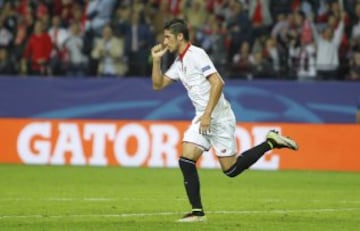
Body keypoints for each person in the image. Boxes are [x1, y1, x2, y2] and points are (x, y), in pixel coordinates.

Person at [150, 18, 299, 223]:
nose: (165, 41)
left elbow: (218, 83)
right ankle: (197, 213)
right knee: (186, 159)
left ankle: (271, 142)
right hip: (203, 116)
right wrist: (157, 60)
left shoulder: (196, 54)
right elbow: (158, 85)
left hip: (218, 116)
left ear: (180, 36)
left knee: (231, 170)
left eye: (167, 37)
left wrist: (208, 114)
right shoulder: (179, 63)